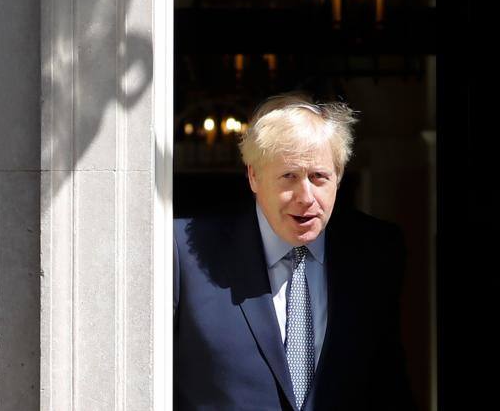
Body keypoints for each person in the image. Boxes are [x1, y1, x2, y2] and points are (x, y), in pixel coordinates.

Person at [173, 92, 416, 410]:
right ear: (254, 176)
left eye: (319, 177)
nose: (306, 197)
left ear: (339, 176)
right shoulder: (184, 252)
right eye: (289, 176)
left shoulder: (375, 251)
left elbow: (388, 383)